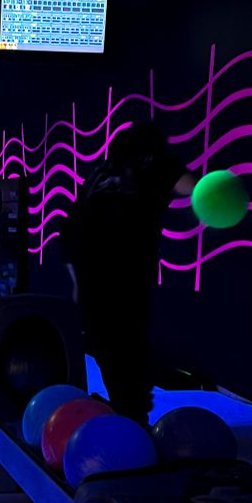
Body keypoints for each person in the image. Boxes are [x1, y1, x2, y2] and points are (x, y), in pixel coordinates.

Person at [59, 121, 195, 427]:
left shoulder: (99, 173)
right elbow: (193, 188)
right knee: (130, 340)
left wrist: (76, 281)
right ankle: (132, 413)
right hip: (129, 269)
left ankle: (127, 408)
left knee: (106, 343)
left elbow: (72, 227)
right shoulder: (158, 163)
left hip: (90, 269)